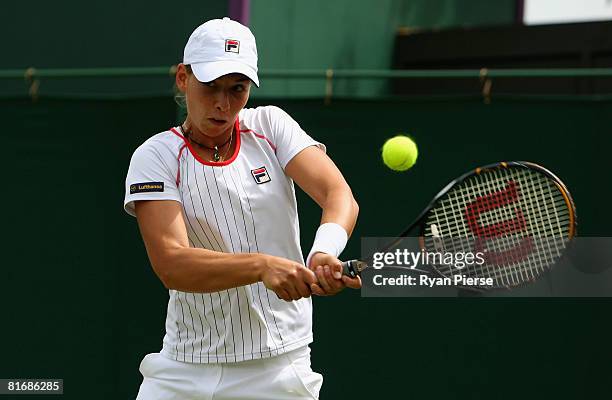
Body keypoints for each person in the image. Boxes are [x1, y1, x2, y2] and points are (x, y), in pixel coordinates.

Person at [124, 17, 360, 400]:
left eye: (237, 89)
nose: (223, 103)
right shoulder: (155, 157)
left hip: (279, 367)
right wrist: (262, 266)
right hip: (183, 369)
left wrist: (324, 252)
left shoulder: (271, 125)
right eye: (211, 87)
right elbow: (171, 263)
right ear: (183, 78)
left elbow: (339, 195)